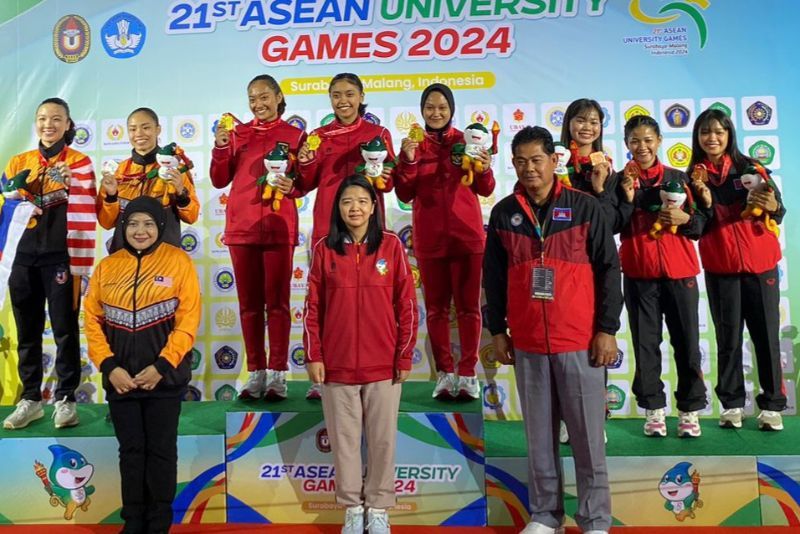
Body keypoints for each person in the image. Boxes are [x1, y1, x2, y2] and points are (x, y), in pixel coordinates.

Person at [484, 126, 621, 534]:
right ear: (513, 164)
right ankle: (545, 516)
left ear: (554, 161)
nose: (529, 168)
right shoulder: (504, 212)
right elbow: (493, 276)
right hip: (527, 342)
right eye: (521, 161)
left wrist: (607, 329)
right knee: (539, 440)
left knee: (587, 440)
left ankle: (595, 519)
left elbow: (609, 270)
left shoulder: (584, 208)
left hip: (579, 340)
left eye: (537, 160)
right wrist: (498, 330)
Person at [303, 175, 418, 534]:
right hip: (335, 366)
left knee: (383, 441)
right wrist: (314, 355)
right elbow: (312, 307)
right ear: (338, 208)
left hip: (383, 365)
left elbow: (407, 304)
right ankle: (353, 508)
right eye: (347, 201)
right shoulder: (324, 249)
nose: (354, 208)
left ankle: (379, 507)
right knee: (344, 443)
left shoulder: (391, 247)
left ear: (373, 207)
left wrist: (403, 356)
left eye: (362, 201)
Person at [84, 195, 201, 533]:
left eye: (148, 224)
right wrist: (110, 367)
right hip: (121, 380)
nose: (140, 230)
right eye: (133, 223)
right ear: (123, 227)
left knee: (161, 451)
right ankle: (133, 522)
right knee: (131, 452)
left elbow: (188, 319)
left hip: (164, 380)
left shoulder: (178, 262)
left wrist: (162, 367)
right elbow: (92, 321)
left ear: (159, 227)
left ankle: (159, 523)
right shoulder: (107, 266)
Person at [296, 72, 397, 399]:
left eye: (349, 94)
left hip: (368, 233)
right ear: (330, 99)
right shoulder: (316, 136)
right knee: (324, 303)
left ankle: (375, 370)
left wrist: (380, 172)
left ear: (361, 96)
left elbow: (390, 181)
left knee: (370, 303)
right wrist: (306, 162)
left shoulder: (378, 133)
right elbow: (305, 182)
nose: (343, 100)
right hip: (328, 232)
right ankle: (320, 373)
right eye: (336, 95)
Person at [2, 97, 97, 430]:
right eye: (43, 118)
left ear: (68, 125)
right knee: (26, 332)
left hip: (61, 257)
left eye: (57, 119)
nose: (48, 124)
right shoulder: (19, 162)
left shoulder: (80, 163)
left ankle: (66, 398)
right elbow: (5, 204)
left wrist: (73, 185)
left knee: (65, 331)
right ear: (36, 123)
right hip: (22, 258)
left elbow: (92, 205)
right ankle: (30, 398)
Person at [688, 108, 786, 431]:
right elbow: (697, 227)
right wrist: (701, 202)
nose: (712, 138)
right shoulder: (694, 177)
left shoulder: (751, 168)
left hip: (761, 266)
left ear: (729, 134)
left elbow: (779, 208)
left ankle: (771, 406)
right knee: (727, 337)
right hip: (721, 267)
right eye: (705, 132)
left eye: (718, 131)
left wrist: (773, 206)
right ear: (697, 138)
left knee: (766, 336)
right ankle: (731, 404)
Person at [210, 74, 307, 400]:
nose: (258, 103)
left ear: (279, 97)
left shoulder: (296, 136)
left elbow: (304, 181)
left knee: (278, 305)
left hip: (280, 228)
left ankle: (278, 374)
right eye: (252, 98)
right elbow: (219, 179)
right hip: (242, 229)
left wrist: (292, 186)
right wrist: (221, 148)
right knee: (250, 306)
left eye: (265, 96)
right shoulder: (237, 134)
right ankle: (256, 372)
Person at [395, 83, 495, 400]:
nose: (436, 113)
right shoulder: (414, 144)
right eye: (429, 107)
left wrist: (486, 167)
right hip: (429, 241)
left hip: (467, 239)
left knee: (468, 309)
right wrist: (408, 160)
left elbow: (486, 188)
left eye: (442, 107)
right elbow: (403, 194)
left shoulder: (466, 141)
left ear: (451, 110)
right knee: (436, 310)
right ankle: (445, 374)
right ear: (422, 111)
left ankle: (467, 374)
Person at [617, 115, 709, 438]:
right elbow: (614, 224)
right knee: (645, 344)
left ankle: (689, 410)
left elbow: (699, 227)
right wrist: (627, 200)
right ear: (626, 144)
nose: (641, 147)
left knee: (687, 344)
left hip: (680, 273)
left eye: (647, 140)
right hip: (639, 275)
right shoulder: (621, 181)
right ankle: (654, 409)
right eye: (634, 141)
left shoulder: (679, 178)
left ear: (659, 141)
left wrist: (685, 218)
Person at [97, 107, 199, 253]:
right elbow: (106, 223)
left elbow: (192, 217)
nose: (139, 134)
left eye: (146, 127)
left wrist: (181, 194)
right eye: (133, 129)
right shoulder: (118, 173)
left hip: (164, 259)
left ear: (158, 130)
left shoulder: (175, 170)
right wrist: (112, 196)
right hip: (124, 260)